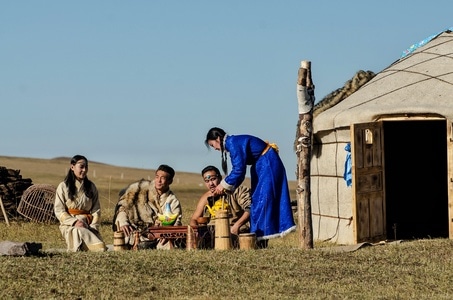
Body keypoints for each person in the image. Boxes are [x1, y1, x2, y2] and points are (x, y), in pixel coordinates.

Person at [205, 127, 296, 243]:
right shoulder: (232, 143)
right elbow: (239, 172)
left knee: (263, 201)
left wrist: (223, 185)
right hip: (262, 165)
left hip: (267, 164)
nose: (215, 149)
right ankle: (260, 236)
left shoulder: (232, 143)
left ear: (217, 138)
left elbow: (238, 170)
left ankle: (260, 238)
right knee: (259, 201)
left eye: (213, 145)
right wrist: (227, 187)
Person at [112, 164, 183, 250]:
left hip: (158, 236)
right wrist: (123, 222)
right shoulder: (139, 189)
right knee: (123, 235)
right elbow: (123, 207)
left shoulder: (172, 201)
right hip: (135, 231)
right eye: (157, 177)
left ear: (170, 181)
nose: (159, 181)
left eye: (163, 178)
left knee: (167, 245)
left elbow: (175, 223)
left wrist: (166, 233)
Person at [189, 165, 251, 248]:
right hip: (213, 232)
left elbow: (250, 209)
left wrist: (236, 226)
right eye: (207, 181)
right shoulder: (206, 197)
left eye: (213, 179)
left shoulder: (237, 191)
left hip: (234, 230)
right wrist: (194, 231)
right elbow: (194, 219)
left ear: (220, 178)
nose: (211, 184)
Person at [54, 155, 106, 252]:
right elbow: (59, 210)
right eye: (81, 167)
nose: (84, 170)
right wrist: (75, 222)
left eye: (86, 167)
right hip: (69, 225)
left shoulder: (91, 187)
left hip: (88, 224)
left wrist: (94, 226)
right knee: (78, 231)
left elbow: (96, 209)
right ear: (72, 167)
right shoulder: (63, 186)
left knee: (100, 247)